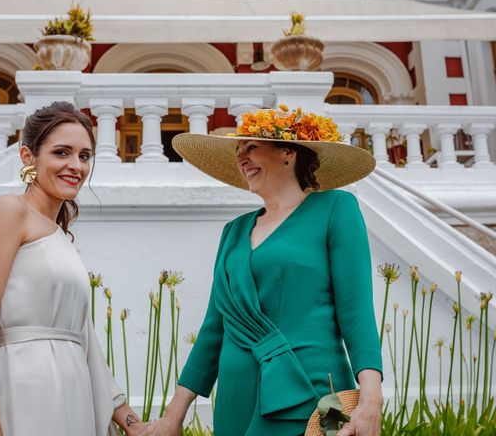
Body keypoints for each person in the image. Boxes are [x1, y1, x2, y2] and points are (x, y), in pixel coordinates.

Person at [144, 106, 383, 436]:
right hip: (236, 397)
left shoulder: (336, 209)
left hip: (309, 392)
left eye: (251, 147)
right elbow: (215, 328)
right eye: (238, 152)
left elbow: (356, 312)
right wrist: (174, 415)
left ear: (288, 152)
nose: (242, 159)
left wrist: (371, 398)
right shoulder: (234, 232)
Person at [0, 102, 145, 436]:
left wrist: (133, 423)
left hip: (73, 391)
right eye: (62, 153)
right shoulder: (8, 211)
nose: (75, 165)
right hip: (25, 388)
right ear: (28, 157)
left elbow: (85, 342)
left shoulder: (60, 236)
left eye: (84, 155)